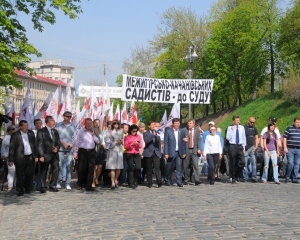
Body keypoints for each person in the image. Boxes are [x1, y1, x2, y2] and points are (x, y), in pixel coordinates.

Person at [9, 120, 38, 196]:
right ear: (20, 127)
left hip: (30, 157)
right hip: (20, 157)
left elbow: (34, 145)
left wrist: (36, 156)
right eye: (25, 126)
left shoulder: (30, 133)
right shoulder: (15, 135)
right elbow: (11, 148)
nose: (27, 127)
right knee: (19, 175)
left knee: (30, 174)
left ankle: (27, 187)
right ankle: (20, 190)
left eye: (27, 125)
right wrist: (11, 159)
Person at [73, 118, 99, 191]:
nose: (89, 125)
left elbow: (97, 141)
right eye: (87, 124)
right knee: (82, 169)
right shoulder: (80, 131)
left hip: (91, 152)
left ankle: (89, 185)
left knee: (91, 169)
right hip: (83, 151)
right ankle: (79, 184)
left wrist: (93, 135)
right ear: (85, 123)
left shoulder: (93, 131)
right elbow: (76, 143)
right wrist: (75, 152)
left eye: (90, 124)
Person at [37, 116, 61, 193]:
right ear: (48, 121)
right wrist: (41, 155)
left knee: (56, 169)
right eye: (53, 120)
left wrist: (57, 148)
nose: (54, 122)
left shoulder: (55, 131)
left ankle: (53, 185)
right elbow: (39, 144)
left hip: (54, 154)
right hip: (45, 154)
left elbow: (58, 142)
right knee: (44, 170)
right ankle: (43, 186)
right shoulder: (41, 131)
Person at [55, 111, 76, 190]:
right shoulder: (58, 125)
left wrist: (72, 143)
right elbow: (56, 136)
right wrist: (61, 143)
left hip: (69, 149)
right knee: (59, 166)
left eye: (70, 117)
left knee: (69, 166)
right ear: (63, 116)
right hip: (60, 148)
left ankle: (68, 183)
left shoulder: (73, 126)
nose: (69, 118)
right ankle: (58, 181)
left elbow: (75, 137)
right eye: (68, 116)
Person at [164, 118, 186, 187]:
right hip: (171, 152)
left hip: (179, 152)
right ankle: (167, 179)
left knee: (179, 167)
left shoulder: (181, 131)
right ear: (173, 124)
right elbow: (166, 143)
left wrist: (184, 152)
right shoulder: (168, 131)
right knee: (169, 167)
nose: (177, 125)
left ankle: (179, 181)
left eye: (178, 123)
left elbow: (183, 143)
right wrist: (166, 153)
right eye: (176, 123)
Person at [226, 115, 246, 184]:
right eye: (237, 120)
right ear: (233, 121)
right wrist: (232, 131)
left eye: (239, 120)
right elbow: (228, 138)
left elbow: (243, 137)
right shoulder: (229, 128)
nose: (238, 122)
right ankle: (233, 177)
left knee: (242, 162)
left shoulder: (242, 128)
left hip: (240, 146)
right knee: (233, 162)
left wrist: (244, 147)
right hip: (232, 145)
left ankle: (237, 173)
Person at [143, 121, 162, 188]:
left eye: (155, 125)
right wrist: (152, 135)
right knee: (149, 168)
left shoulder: (158, 132)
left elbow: (159, 144)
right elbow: (147, 141)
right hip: (148, 153)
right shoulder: (146, 133)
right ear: (149, 126)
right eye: (152, 125)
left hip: (156, 152)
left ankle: (159, 181)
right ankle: (149, 182)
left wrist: (160, 153)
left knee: (157, 167)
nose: (154, 126)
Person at [105, 120, 124, 189]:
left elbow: (122, 139)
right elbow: (106, 140)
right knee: (112, 167)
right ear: (112, 124)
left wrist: (121, 141)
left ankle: (116, 179)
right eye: (115, 123)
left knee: (119, 167)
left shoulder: (121, 131)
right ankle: (112, 182)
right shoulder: (109, 131)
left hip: (119, 150)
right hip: (112, 149)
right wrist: (114, 142)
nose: (116, 125)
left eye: (118, 124)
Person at [183, 119, 201, 185]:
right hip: (186, 150)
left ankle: (197, 179)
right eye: (188, 123)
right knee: (186, 165)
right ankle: (186, 179)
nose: (189, 124)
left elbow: (198, 140)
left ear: (193, 124)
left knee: (195, 165)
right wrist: (183, 139)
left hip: (194, 149)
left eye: (190, 123)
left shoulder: (196, 130)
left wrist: (199, 148)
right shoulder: (184, 130)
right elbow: (180, 139)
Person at [124, 124, 142, 188]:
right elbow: (125, 146)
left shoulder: (138, 136)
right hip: (129, 153)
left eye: (136, 131)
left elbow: (140, 146)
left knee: (138, 167)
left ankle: (135, 179)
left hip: (136, 153)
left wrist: (137, 144)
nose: (135, 132)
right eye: (133, 131)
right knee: (131, 168)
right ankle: (131, 182)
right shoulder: (127, 137)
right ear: (130, 131)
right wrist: (132, 144)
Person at [283, 117, 300, 183]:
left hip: (298, 149)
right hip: (290, 149)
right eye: (297, 122)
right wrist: (285, 147)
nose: (298, 124)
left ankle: (294, 178)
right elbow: (284, 138)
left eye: (299, 122)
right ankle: (287, 177)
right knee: (290, 163)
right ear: (294, 122)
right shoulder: (289, 128)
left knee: (297, 164)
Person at [242, 117, 259, 182]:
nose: (252, 123)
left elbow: (256, 137)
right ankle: (245, 177)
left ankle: (253, 177)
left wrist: (256, 146)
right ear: (248, 121)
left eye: (253, 122)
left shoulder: (254, 128)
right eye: (251, 122)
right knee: (245, 163)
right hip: (246, 147)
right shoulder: (244, 128)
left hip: (252, 147)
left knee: (254, 163)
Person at [1, 125, 16, 191]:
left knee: (17, 171)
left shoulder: (16, 137)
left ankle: (15, 184)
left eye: (14, 129)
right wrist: (4, 155)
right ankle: (10, 185)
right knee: (11, 171)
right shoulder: (6, 138)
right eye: (11, 129)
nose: (12, 131)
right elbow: (3, 148)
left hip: (17, 156)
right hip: (9, 156)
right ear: (9, 131)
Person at [92, 119, 105, 187]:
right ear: (93, 123)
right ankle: (93, 180)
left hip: (100, 149)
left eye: (98, 122)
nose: (97, 124)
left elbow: (102, 141)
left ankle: (97, 178)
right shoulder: (92, 130)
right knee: (93, 166)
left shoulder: (101, 131)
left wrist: (104, 146)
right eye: (95, 122)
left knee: (100, 166)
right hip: (93, 149)